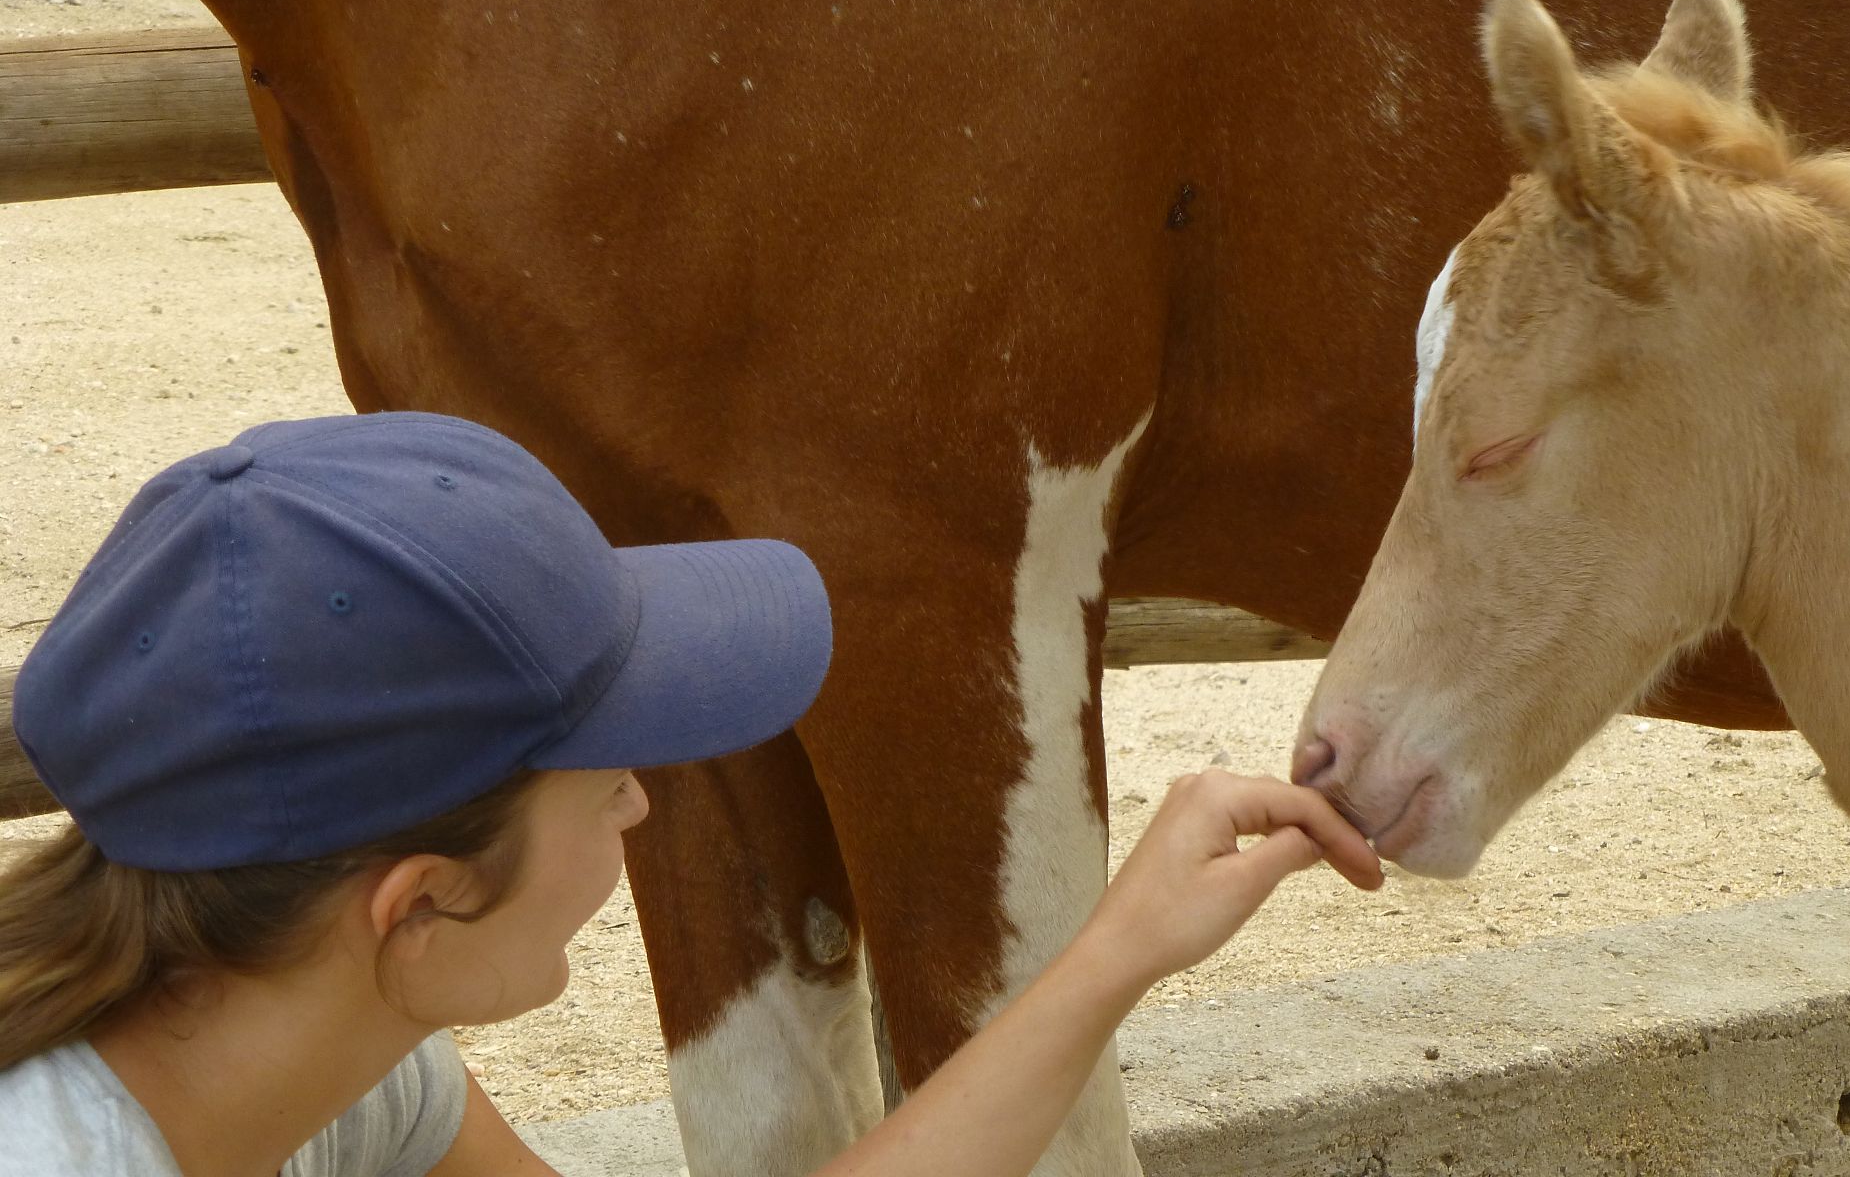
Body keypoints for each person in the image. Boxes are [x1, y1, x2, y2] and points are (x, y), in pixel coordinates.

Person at [0, 412, 1383, 1176]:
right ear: (418, 904)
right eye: (606, 773)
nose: (638, 810)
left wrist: (1115, 952)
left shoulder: (321, 1043)